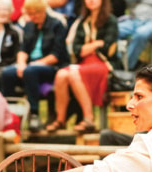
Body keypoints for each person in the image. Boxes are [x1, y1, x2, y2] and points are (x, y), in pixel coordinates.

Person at [45, 0, 119, 134]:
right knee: (61, 74)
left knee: (73, 72)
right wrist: (95, 44)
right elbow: (76, 49)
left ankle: (89, 118)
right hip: (84, 63)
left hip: (103, 64)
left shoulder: (111, 20)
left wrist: (89, 48)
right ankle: (61, 120)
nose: (91, 1)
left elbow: (107, 48)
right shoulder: (82, 21)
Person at [0, 0, 69, 132]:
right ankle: (11, 111)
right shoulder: (29, 25)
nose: (32, 17)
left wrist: (34, 64)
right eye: (29, 14)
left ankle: (34, 113)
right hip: (30, 66)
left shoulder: (57, 25)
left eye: (34, 14)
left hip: (52, 66)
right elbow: (23, 49)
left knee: (30, 71)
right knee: (7, 73)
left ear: (42, 11)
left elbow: (56, 55)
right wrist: (21, 64)